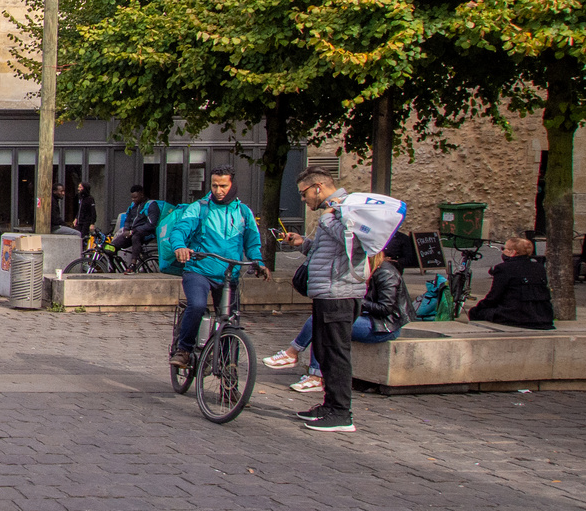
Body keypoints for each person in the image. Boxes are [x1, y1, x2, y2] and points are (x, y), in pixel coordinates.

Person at [280, 164, 363, 433]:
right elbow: (330, 248)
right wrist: (303, 243)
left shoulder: (343, 208)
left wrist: (327, 219)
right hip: (326, 292)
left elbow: (352, 241)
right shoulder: (333, 210)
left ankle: (342, 413)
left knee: (337, 353)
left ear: (318, 187)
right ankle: (330, 406)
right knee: (325, 352)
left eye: (304, 194)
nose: (303, 200)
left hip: (340, 292)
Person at [265, 250, 410, 393]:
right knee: (323, 318)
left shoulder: (386, 273)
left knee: (325, 323)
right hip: (368, 318)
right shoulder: (366, 270)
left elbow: (385, 308)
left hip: (383, 326)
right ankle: (304, 364)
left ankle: (305, 366)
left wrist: (356, 298)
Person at [166, 166, 268, 367]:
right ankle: (184, 350)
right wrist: (180, 247)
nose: (218, 190)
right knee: (196, 305)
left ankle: (228, 377)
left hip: (229, 276)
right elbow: (180, 230)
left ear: (232, 185)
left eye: (223, 186)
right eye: (214, 185)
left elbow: (252, 242)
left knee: (231, 322)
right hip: (199, 270)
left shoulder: (243, 212)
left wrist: (259, 263)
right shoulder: (200, 208)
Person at [468, 236, 555, 329]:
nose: (502, 251)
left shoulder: (503, 268)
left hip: (515, 314)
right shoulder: (539, 267)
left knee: (475, 312)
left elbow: (494, 296)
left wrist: (480, 307)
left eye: (504, 249)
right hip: (542, 315)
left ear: (512, 252)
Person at [113, 185, 158, 270]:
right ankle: (113, 267)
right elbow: (128, 219)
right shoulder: (132, 206)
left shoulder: (151, 205)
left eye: (135, 197)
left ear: (142, 194)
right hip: (131, 232)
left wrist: (134, 231)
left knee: (136, 236)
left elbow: (152, 224)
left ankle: (133, 264)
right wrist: (126, 230)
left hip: (146, 232)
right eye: (132, 198)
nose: (133, 200)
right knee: (111, 247)